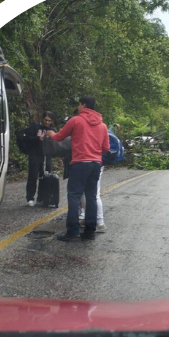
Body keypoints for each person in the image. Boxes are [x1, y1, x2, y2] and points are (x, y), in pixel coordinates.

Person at [48, 95, 110, 241]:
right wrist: (94, 154)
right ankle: (89, 232)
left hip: (80, 163)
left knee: (74, 196)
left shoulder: (76, 120)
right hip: (95, 164)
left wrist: (50, 134)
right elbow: (106, 147)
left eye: (79, 105)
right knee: (91, 197)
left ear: (83, 105)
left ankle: (73, 231)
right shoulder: (103, 126)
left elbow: (59, 137)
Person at [16, 112, 50, 206]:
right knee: (33, 176)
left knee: (44, 177)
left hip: (46, 155)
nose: (47, 122)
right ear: (42, 119)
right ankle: (30, 198)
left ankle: (41, 198)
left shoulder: (51, 130)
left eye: (49, 121)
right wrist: (38, 138)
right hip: (35, 154)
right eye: (46, 120)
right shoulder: (35, 126)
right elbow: (28, 138)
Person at [93, 126, 124, 229]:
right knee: (95, 194)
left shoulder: (92, 130)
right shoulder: (104, 129)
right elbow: (106, 148)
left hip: (90, 162)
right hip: (99, 163)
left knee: (89, 193)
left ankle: (97, 222)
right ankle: (99, 222)